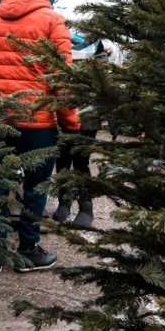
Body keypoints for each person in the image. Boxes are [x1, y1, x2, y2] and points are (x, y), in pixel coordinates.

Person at [0, 0, 80, 273]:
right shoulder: (53, 21)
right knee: (36, 186)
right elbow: (62, 79)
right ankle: (28, 251)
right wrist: (72, 122)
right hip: (38, 122)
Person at [52, 32, 115, 226]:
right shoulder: (60, 47)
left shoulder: (100, 51)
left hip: (87, 116)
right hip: (63, 113)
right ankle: (64, 202)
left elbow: (106, 87)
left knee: (81, 161)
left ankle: (86, 208)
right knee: (62, 159)